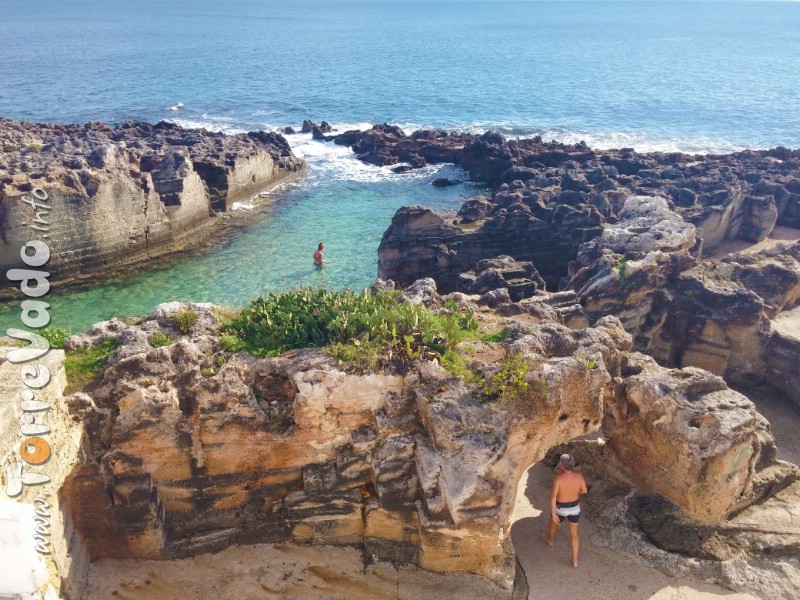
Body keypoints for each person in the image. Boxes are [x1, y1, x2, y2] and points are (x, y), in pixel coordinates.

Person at [542, 453, 588, 568]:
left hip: (561, 508)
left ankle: (550, 540)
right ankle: (575, 561)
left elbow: (553, 496)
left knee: (553, 524)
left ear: (562, 466)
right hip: (574, 508)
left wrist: (553, 513)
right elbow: (584, 491)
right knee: (574, 534)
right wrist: (573, 491)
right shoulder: (580, 477)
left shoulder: (558, 478)